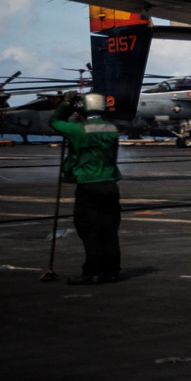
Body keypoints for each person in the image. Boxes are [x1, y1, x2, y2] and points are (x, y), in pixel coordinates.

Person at [50, 92, 123, 285]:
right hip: (110, 185)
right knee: (109, 230)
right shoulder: (112, 128)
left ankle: (92, 271)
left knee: (89, 230)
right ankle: (112, 271)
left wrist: (66, 105)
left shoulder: (78, 130)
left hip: (88, 186)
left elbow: (55, 121)